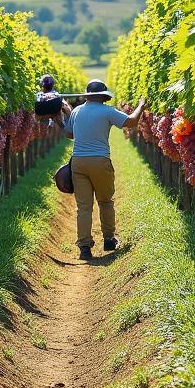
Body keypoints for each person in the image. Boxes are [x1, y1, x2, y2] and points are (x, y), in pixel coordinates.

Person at [61, 80, 145, 261]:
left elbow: (69, 134)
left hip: (78, 162)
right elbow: (131, 122)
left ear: (88, 95)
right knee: (105, 201)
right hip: (100, 161)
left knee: (83, 207)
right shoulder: (107, 111)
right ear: (103, 95)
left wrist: (67, 114)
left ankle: (84, 248)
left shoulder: (77, 111)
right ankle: (108, 240)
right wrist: (140, 105)